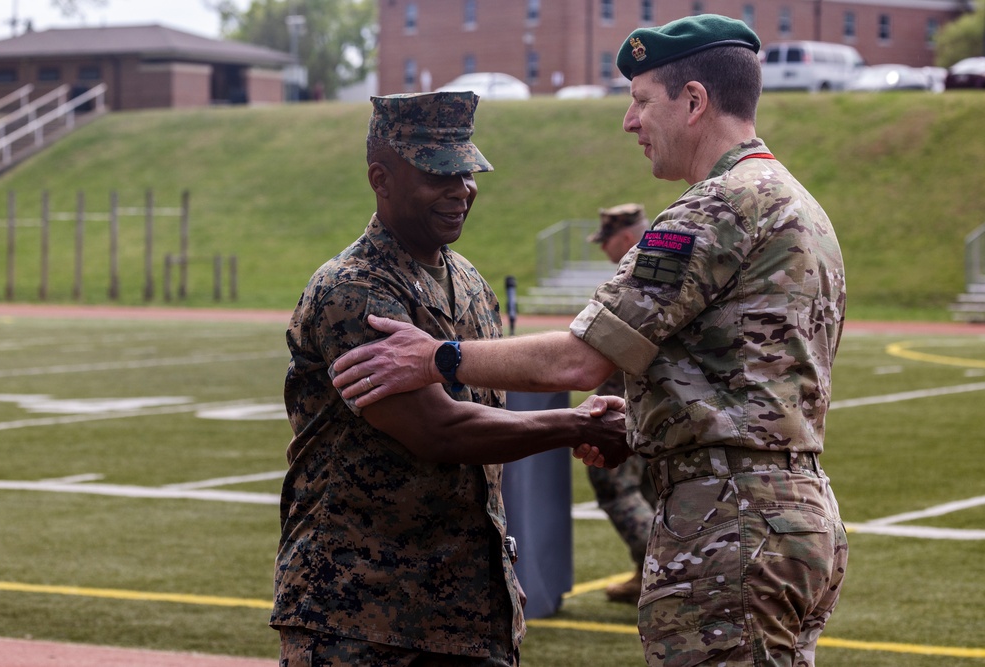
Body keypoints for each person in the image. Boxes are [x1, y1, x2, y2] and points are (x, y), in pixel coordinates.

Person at [331, 15, 850, 667]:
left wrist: (436, 355)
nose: (629, 122)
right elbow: (748, 373)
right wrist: (640, 423)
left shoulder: (711, 210)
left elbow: (580, 356)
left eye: (639, 101)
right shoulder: (798, 205)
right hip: (796, 514)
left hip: (730, 521)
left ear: (693, 101)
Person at [270, 90, 629, 667]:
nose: (461, 189)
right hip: (361, 615)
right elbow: (439, 430)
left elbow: (496, 394)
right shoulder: (354, 291)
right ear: (380, 178)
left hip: (468, 608)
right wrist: (573, 425)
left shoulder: (467, 281)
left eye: (467, 172)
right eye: (439, 174)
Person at [585, 203, 656, 605]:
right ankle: (649, 573)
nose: (603, 249)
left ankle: (657, 573)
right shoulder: (664, 268)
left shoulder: (635, 278)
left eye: (606, 241)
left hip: (623, 404)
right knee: (650, 493)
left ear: (626, 238)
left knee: (617, 490)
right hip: (654, 402)